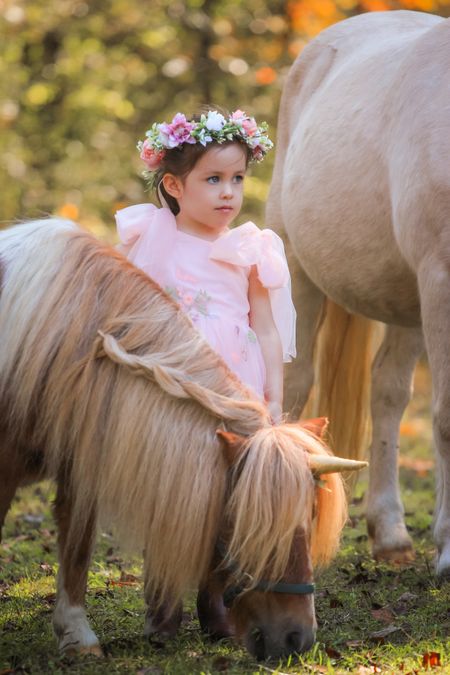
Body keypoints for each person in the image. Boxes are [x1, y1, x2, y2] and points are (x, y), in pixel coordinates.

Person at [115, 108, 296, 422]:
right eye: (214, 179)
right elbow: (121, 306)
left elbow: (266, 330)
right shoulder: (152, 234)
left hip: (235, 377)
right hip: (169, 371)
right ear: (174, 186)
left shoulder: (248, 249)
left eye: (237, 179)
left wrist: (275, 398)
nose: (228, 192)